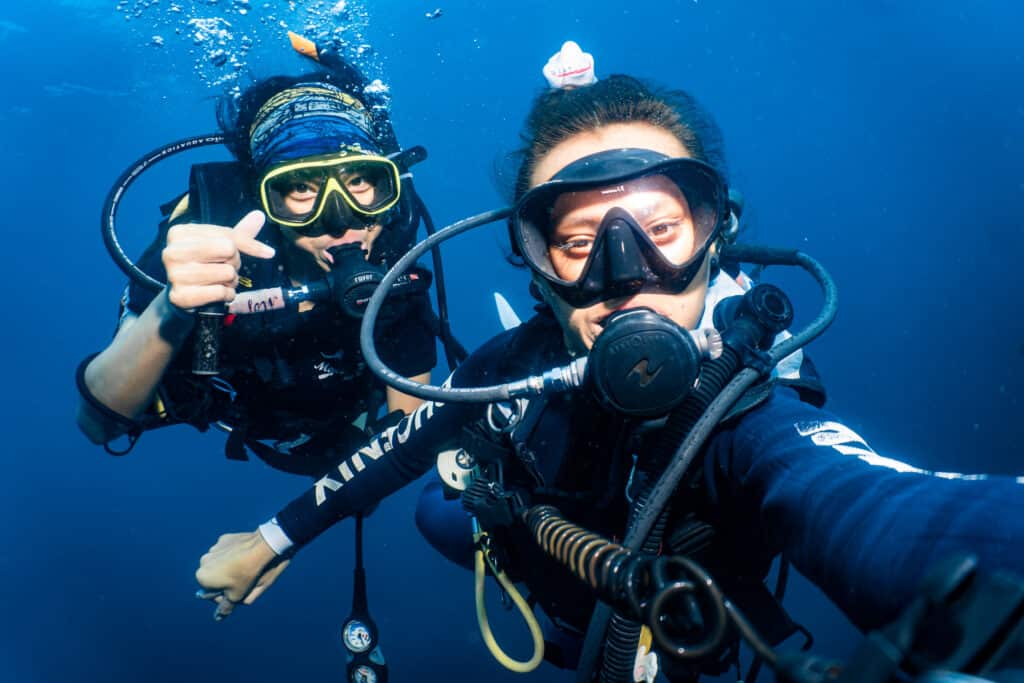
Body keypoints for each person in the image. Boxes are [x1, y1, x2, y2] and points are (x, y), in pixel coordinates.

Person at [192, 43, 1024, 680]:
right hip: (531, 571)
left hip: (674, 624)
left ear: (716, 236)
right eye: (581, 242)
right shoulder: (515, 365)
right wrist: (273, 537)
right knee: (439, 512)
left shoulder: (746, 409)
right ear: (538, 265)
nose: (623, 278)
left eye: (659, 232)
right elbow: (401, 445)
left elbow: (865, 498)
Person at [76, 38, 438, 479]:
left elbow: (409, 425)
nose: (342, 220)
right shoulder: (205, 236)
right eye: (301, 187)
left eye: (360, 179)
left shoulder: (392, 250)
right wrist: (172, 308)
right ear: (264, 199)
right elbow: (97, 425)